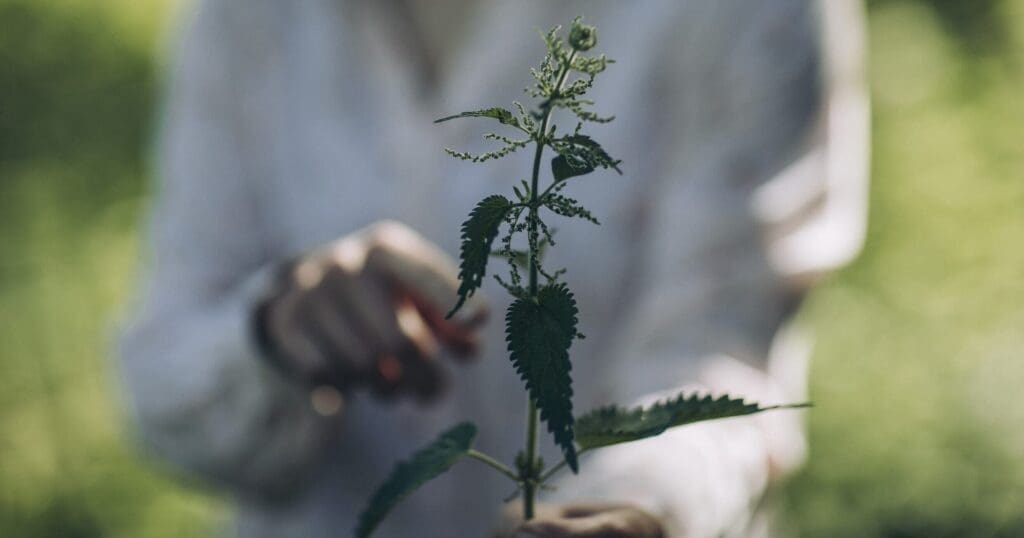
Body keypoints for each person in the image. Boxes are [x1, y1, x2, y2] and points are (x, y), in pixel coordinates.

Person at [118, 0, 868, 536]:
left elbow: (715, 353)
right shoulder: (251, 21)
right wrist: (277, 334)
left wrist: (639, 504)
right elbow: (163, 383)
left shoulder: (739, 15)